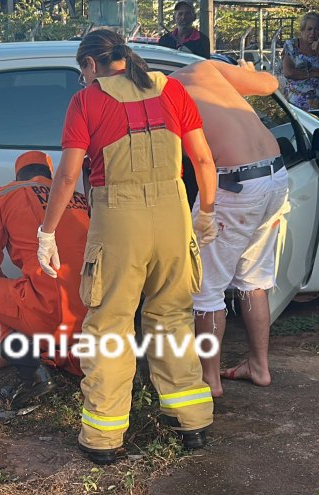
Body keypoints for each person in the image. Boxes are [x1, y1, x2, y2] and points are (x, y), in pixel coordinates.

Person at [37, 29, 219, 465]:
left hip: (119, 220)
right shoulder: (171, 89)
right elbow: (204, 160)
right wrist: (206, 213)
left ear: (90, 65)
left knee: (110, 326)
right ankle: (191, 421)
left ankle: (103, 437)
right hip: (174, 215)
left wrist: (47, 232)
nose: (83, 80)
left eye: (82, 72)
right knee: (173, 316)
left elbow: (65, 177)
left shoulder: (86, 101)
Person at [170, 59, 290, 397]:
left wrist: (205, 210)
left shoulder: (165, 91)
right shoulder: (205, 68)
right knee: (254, 279)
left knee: (206, 289)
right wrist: (246, 74)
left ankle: (210, 380)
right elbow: (268, 84)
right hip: (275, 175)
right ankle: (260, 367)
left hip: (234, 184)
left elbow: (189, 158)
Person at [0, 150, 89, 407]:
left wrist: (3, 300)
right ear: (49, 174)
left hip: (49, 311)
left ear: (18, 174)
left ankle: (29, 370)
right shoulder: (77, 198)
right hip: (91, 316)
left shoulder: (6, 195)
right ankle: (42, 345)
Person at [281, 12, 319, 110]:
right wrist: (317, 73)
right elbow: (289, 72)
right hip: (296, 104)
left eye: (317, 29)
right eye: (309, 29)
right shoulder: (292, 45)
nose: (312, 33)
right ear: (302, 30)